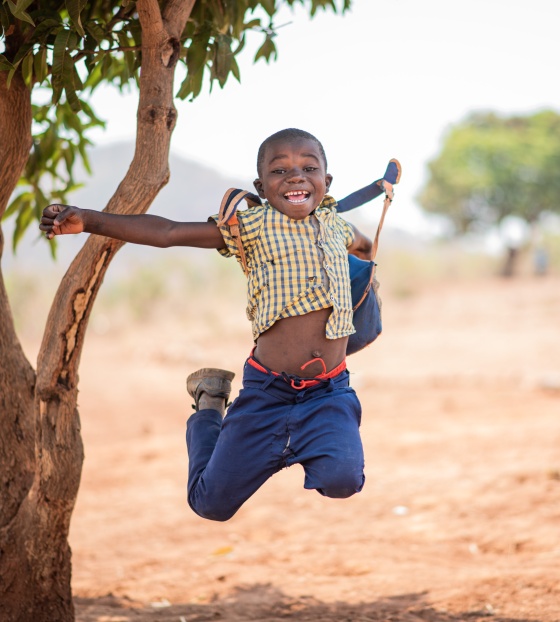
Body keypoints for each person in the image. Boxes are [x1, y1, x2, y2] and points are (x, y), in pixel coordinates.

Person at [40, 128, 375, 522]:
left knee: (343, 479)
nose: (296, 176)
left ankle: (290, 442)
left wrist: (361, 276)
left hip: (328, 393)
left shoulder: (337, 227)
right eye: (280, 171)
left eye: (308, 167)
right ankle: (209, 408)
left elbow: (365, 247)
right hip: (269, 392)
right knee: (210, 504)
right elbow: (167, 233)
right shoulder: (252, 227)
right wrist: (90, 220)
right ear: (262, 187)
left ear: (326, 181)